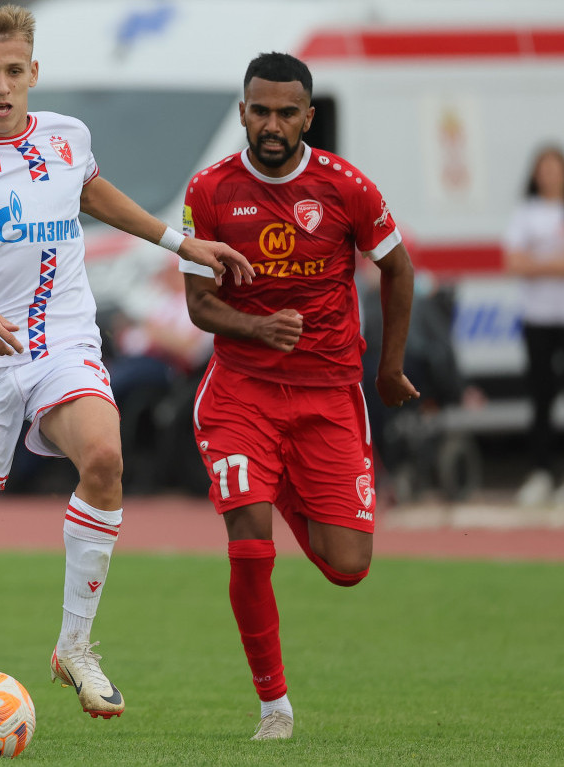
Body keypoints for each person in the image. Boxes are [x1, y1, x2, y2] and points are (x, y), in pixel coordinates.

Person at [0, 4, 251, 742]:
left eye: (14, 71)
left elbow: (86, 190)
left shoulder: (66, 135)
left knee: (106, 456)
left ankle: (74, 644)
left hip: (59, 343)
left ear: (33, 74)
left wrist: (182, 242)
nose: (1, 85)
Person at [179, 52, 418, 740]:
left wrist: (388, 367)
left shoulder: (346, 187)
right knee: (248, 540)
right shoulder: (210, 190)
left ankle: (279, 484)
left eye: (287, 112)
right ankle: (273, 706)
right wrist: (255, 325)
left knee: (347, 568)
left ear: (307, 117)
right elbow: (198, 304)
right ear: (243, 112)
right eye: (261, 110)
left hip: (328, 393)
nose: (272, 124)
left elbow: (397, 268)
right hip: (240, 393)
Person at [503, 145, 564, 507]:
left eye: (553, 168)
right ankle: (541, 473)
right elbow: (514, 262)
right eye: (543, 169)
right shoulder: (526, 214)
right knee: (541, 398)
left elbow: (528, 260)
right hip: (537, 318)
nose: (548, 175)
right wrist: (554, 264)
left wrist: (537, 260)